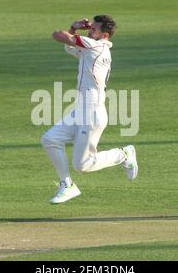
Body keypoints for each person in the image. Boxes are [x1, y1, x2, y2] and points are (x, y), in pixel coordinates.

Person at [41, 15, 138, 204]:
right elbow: (69, 46)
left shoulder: (96, 46)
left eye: (93, 29)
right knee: (50, 139)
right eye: (89, 28)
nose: (89, 30)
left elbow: (58, 35)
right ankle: (67, 184)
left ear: (105, 35)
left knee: (82, 165)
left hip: (92, 112)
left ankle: (123, 154)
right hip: (81, 110)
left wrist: (72, 28)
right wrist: (74, 30)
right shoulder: (90, 48)